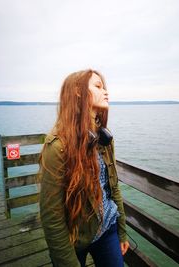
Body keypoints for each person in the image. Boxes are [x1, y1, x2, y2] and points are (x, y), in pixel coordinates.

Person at [39, 69, 129, 267]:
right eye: (98, 86)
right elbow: (51, 216)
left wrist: (122, 232)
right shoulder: (58, 146)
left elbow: (113, 187)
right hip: (75, 237)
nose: (105, 91)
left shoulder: (103, 138)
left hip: (108, 229)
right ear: (78, 92)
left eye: (104, 86)